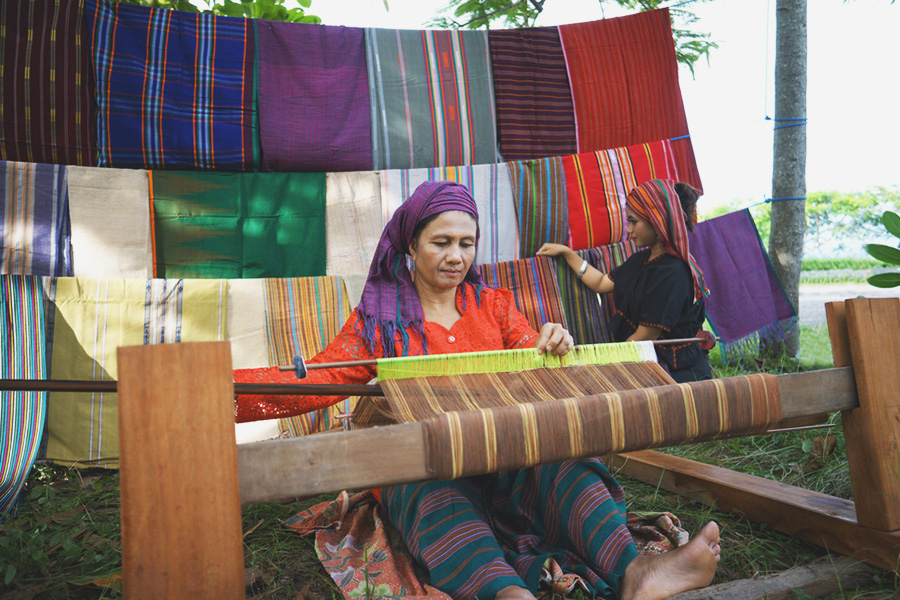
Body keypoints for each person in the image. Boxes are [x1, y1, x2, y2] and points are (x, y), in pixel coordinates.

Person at [235, 181, 720, 599]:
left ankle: (636, 572)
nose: (456, 257)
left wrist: (552, 342)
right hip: (427, 466)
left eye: (467, 243)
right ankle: (508, 592)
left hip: (504, 455)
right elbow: (315, 381)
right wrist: (219, 395)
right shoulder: (380, 325)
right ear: (411, 245)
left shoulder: (493, 305)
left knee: (564, 461)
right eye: (441, 242)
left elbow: (533, 358)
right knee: (432, 489)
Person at [538, 179, 712, 383]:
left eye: (633, 222)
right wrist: (568, 254)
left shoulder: (673, 273)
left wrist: (603, 370)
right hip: (646, 363)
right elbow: (602, 283)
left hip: (676, 376)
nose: (628, 230)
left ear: (657, 221)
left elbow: (642, 338)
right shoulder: (643, 260)